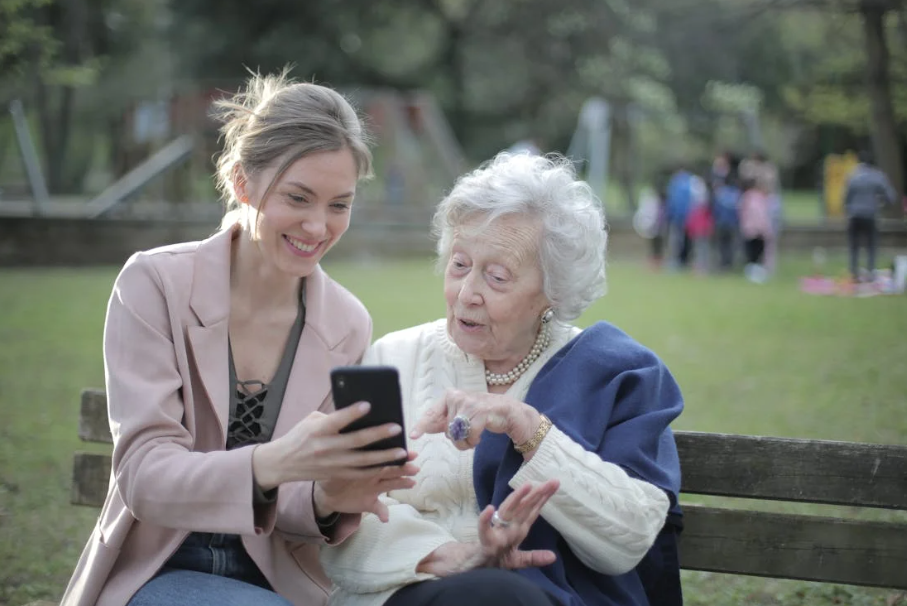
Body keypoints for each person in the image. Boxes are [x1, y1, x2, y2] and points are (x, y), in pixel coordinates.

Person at [61, 70, 419, 606]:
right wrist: (273, 461)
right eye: (298, 198)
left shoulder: (347, 321)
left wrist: (330, 495)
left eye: (339, 205)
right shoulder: (154, 283)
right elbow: (144, 476)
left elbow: (297, 510)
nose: (318, 227)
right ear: (241, 182)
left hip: (280, 584)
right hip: (156, 572)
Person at [320, 153, 685, 606]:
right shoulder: (393, 358)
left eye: (496, 277)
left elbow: (631, 539)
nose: (466, 293)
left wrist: (528, 429)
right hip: (406, 593)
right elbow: (340, 515)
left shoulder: (616, 373)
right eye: (459, 264)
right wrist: (446, 555)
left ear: (554, 291)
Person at [843, 150, 899, 281]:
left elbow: (846, 198)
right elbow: (891, 197)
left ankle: (854, 272)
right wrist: (882, 204)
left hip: (854, 215)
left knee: (854, 245)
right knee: (871, 245)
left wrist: (849, 209)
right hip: (870, 214)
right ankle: (870, 272)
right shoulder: (878, 176)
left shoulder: (852, 175)